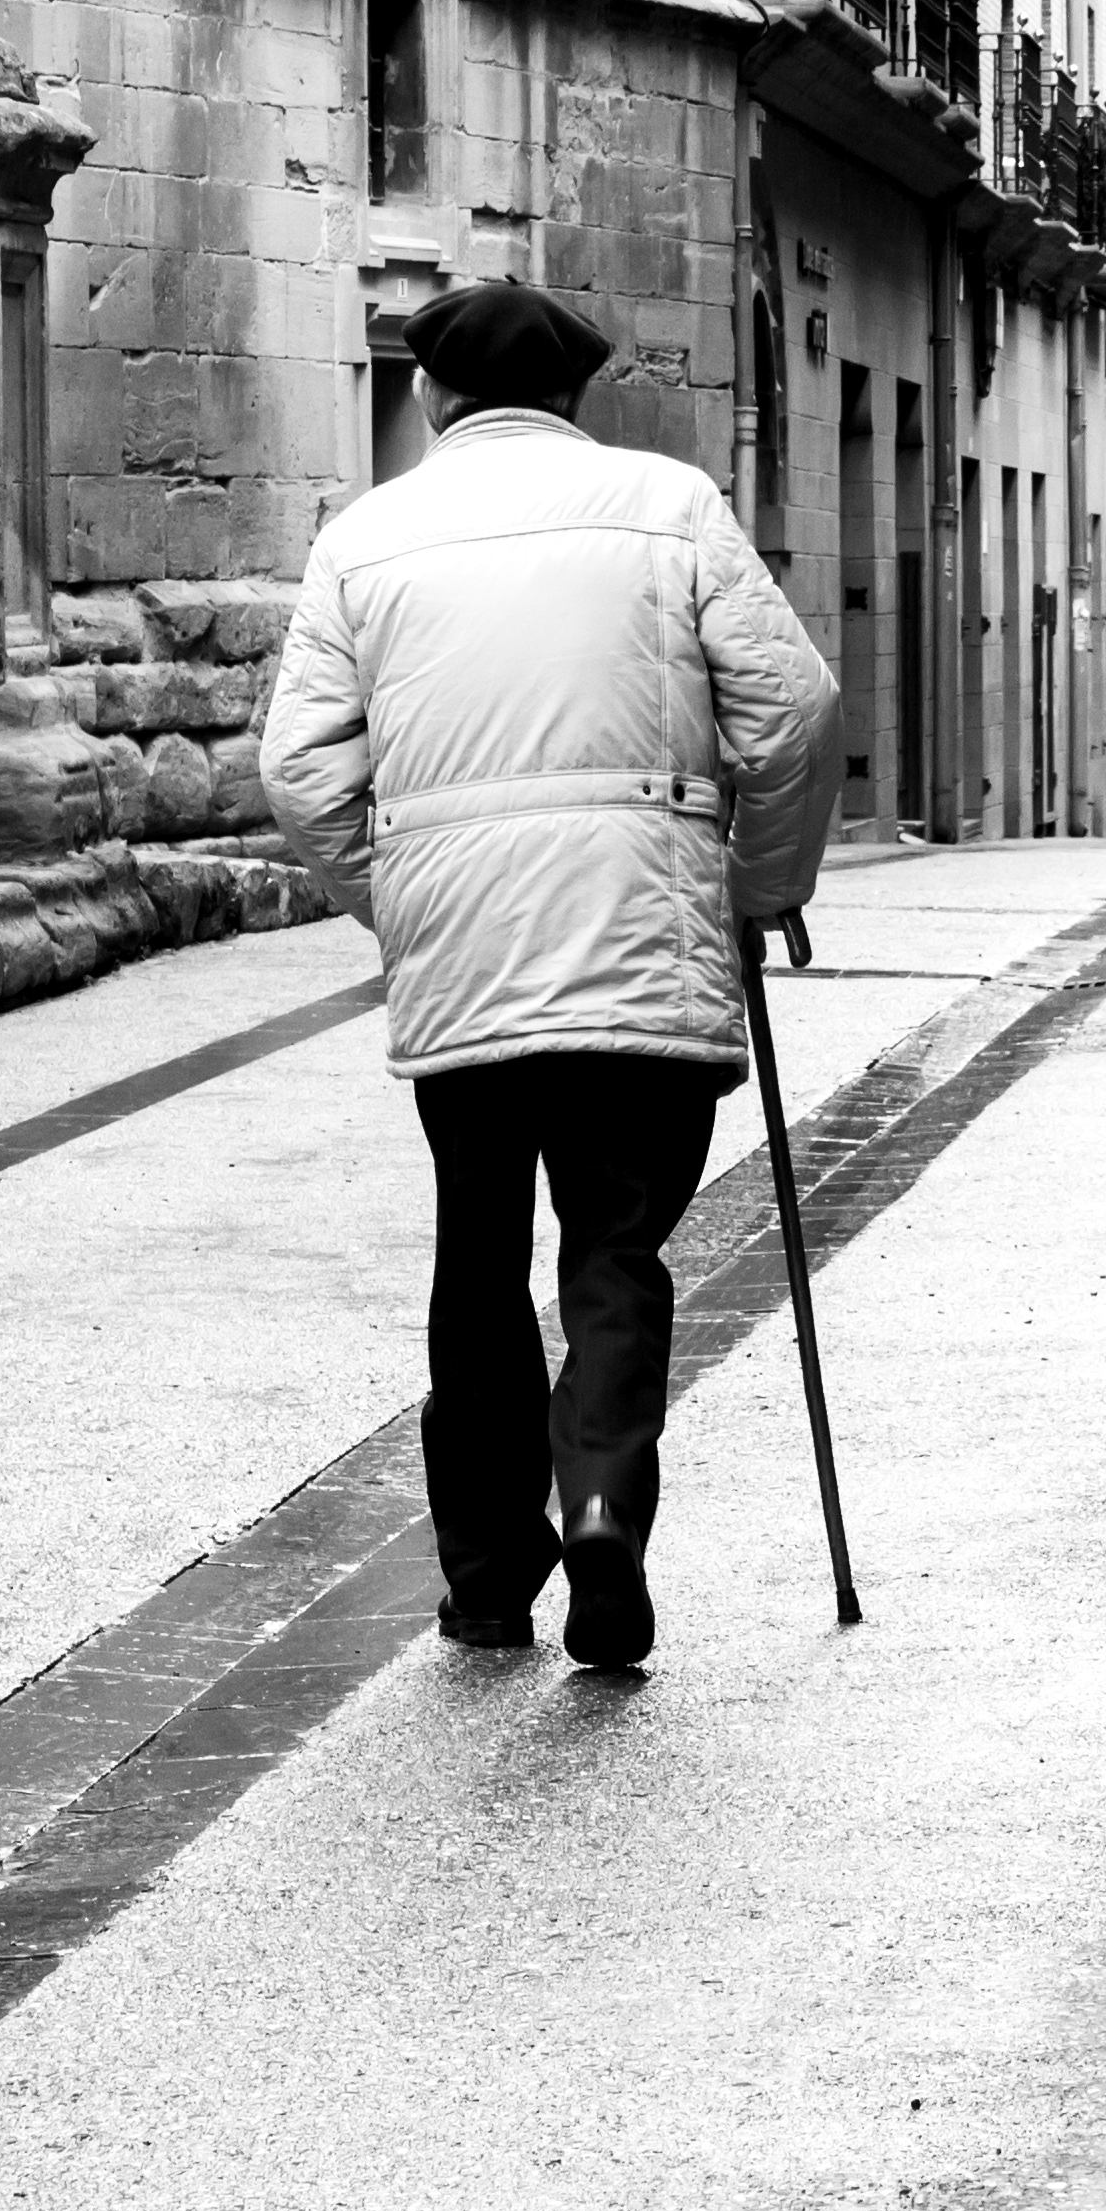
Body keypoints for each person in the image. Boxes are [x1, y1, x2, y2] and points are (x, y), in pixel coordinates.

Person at [262, 281, 839, 1670]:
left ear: (426, 398)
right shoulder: (674, 505)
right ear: (576, 399)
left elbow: (298, 771)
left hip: (462, 955)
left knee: (477, 1258)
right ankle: (598, 1507)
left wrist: (393, 895)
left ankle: (482, 1580)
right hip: (643, 940)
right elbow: (795, 707)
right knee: (616, 1250)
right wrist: (755, 887)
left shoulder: (362, 538)